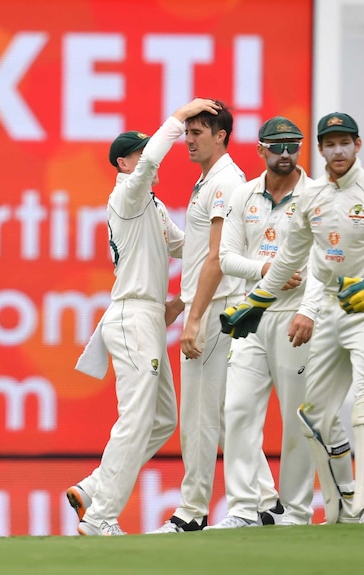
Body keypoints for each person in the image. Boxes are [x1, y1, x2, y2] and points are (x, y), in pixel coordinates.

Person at [220, 112, 364, 524]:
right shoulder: (314, 200)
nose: (338, 151)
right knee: (311, 415)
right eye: (330, 144)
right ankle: (339, 508)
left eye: (344, 142)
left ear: (358, 145)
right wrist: (255, 301)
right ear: (322, 149)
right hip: (327, 313)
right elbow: (289, 260)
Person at [66, 98, 221, 536]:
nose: (148, 158)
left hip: (148, 315)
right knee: (135, 417)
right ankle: (100, 518)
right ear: (123, 162)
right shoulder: (127, 192)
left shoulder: (151, 205)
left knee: (162, 419)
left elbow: (184, 247)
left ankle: (94, 489)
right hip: (133, 316)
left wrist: (228, 234)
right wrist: (180, 115)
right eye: (140, 153)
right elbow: (155, 153)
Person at [149, 101, 278, 534]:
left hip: (219, 307)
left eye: (198, 132)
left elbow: (218, 259)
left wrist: (194, 317)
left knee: (200, 417)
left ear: (221, 135)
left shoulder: (223, 181)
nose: (188, 140)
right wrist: (183, 303)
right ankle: (267, 502)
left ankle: (191, 512)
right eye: (186, 133)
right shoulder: (211, 180)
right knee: (223, 413)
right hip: (215, 305)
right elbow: (200, 254)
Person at [209, 117, 317, 528]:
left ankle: (295, 510)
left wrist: (310, 307)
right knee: (237, 409)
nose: (286, 154)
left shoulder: (315, 195)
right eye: (277, 146)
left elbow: (323, 263)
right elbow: (226, 258)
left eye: (293, 145)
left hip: (296, 316)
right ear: (261, 151)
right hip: (253, 311)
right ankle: (242, 508)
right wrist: (266, 270)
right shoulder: (243, 195)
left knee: (296, 416)